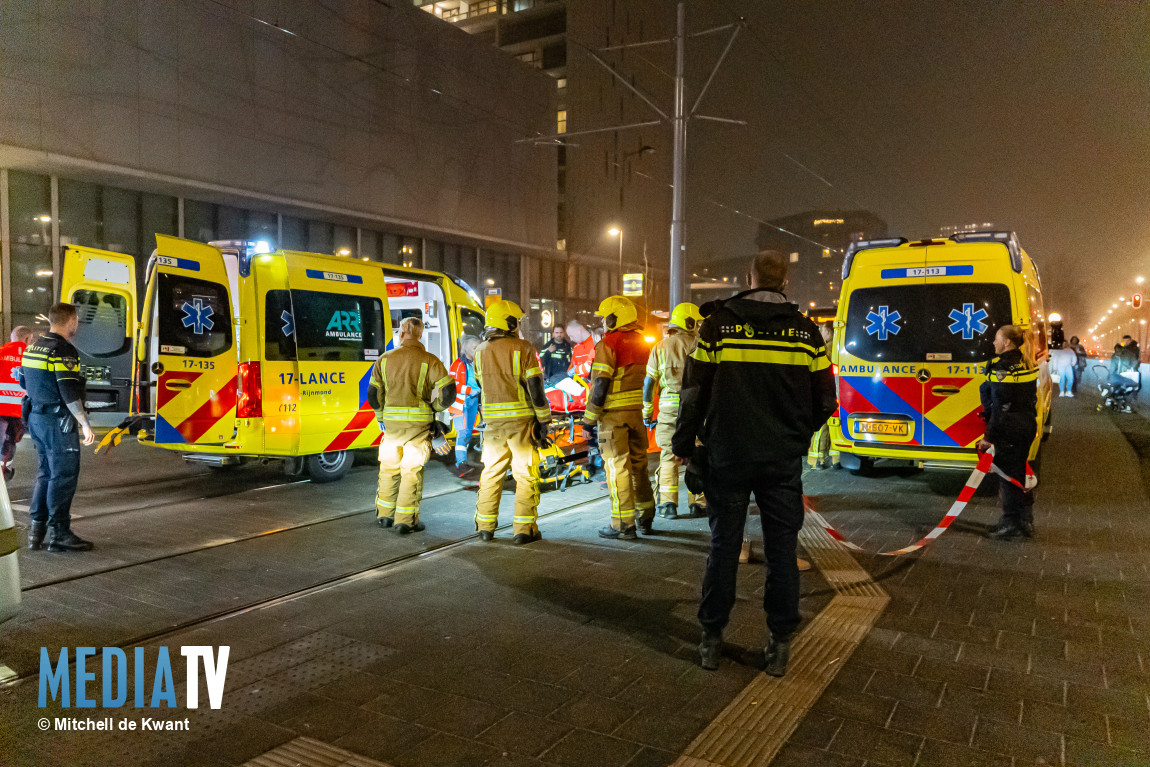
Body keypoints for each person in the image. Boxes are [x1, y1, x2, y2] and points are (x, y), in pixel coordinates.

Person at [673, 251, 837, 674]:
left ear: (750, 277)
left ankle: (711, 638)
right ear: (784, 282)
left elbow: (694, 392)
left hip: (727, 455)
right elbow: (825, 400)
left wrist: (685, 443)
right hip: (780, 460)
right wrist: (796, 435)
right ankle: (779, 644)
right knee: (782, 551)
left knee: (723, 546)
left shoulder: (717, 327)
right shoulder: (806, 334)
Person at [473, 300, 552, 544]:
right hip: (521, 422)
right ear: (509, 322)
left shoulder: (479, 350)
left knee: (491, 474)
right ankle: (523, 530)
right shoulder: (523, 348)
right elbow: (536, 387)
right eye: (516, 321)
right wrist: (544, 420)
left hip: (493, 424)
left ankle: (485, 527)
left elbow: (479, 384)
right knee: (525, 475)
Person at [20, 304, 96, 552]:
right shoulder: (63, 350)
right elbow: (68, 390)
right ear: (72, 320)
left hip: (37, 419)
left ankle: (36, 531)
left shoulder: (34, 346)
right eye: (77, 321)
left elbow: (23, 380)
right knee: (62, 477)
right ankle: (60, 533)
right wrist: (84, 424)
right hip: (57, 422)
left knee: (45, 474)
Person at [368, 317, 455, 534]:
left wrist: (381, 417)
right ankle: (405, 521)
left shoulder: (384, 360)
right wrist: (434, 408)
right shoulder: (430, 360)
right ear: (420, 334)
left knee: (388, 469)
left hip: (391, 427)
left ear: (401, 333)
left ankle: (385, 516)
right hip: (418, 426)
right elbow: (448, 392)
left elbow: (373, 394)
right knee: (410, 472)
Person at [583, 295, 656, 539]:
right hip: (636, 414)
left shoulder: (608, 343)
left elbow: (601, 384)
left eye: (605, 317)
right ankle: (646, 517)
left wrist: (589, 420)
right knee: (639, 466)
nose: (603, 322)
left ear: (615, 318)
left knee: (617, 468)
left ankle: (623, 525)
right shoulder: (644, 343)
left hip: (613, 418)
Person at [643, 302, 705, 520]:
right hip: (696, 411)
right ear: (689, 322)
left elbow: (649, 384)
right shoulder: (700, 345)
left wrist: (647, 412)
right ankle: (698, 503)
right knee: (697, 455)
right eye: (696, 322)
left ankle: (668, 505)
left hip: (668, 412)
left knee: (668, 456)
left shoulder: (660, 347)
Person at [978, 325, 1038, 540]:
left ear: (1007, 343)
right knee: (1020, 471)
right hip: (1027, 424)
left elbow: (998, 408)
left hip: (1008, 428)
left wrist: (988, 438)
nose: (993, 343)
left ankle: (1010, 523)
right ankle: (1026, 520)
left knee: (1007, 477)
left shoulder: (1000, 369)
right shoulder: (1027, 362)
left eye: (996, 339)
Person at [0, 326, 33, 481]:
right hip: (19, 410)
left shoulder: (1, 352)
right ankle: (4, 472)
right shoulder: (31, 356)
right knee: (10, 441)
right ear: (27, 339)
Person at [448, 335, 481, 479]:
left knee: (467, 434)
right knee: (462, 434)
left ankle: (462, 461)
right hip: (459, 404)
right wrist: (469, 390)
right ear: (466, 348)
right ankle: (461, 464)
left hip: (472, 402)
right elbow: (453, 384)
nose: (477, 350)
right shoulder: (457, 364)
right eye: (474, 348)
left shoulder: (477, 363)